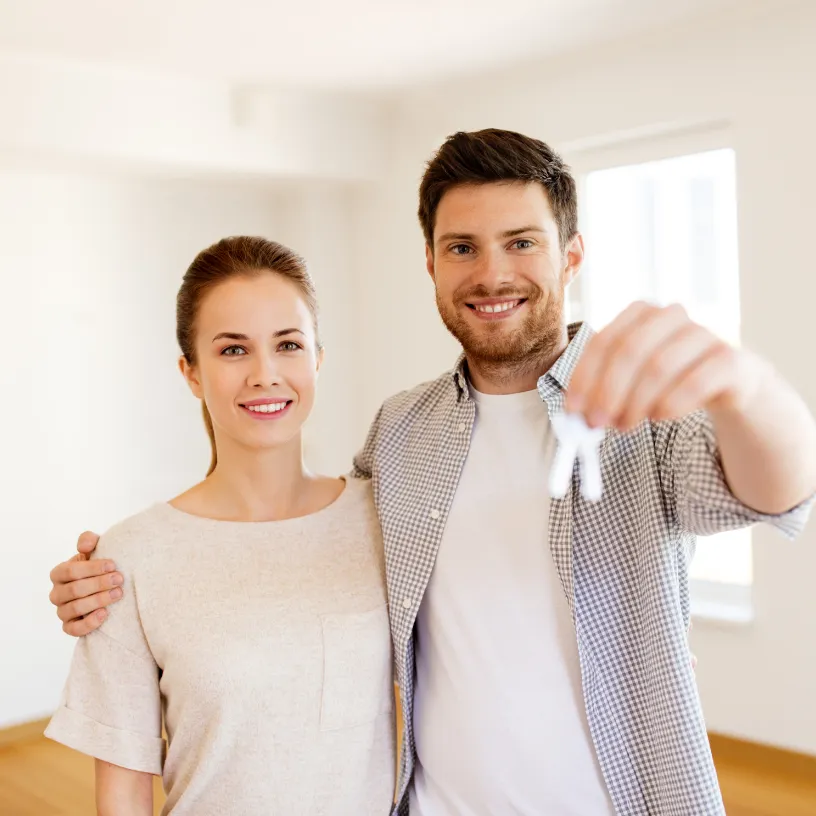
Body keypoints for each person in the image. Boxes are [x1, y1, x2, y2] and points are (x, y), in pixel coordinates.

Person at [49, 130, 816, 816]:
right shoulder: (402, 431)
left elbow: (777, 490)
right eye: (462, 248)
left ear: (570, 255)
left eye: (522, 242)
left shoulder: (641, 418)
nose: (492, 274)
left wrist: (743, 388)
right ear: (430, 262)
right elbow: (287, 546)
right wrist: (112, 582)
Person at [45, 237, 396, 815]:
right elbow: (125, 791)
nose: (265, 374)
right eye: (233, 350)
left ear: (317, 359)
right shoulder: (127, 558)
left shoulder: (384, 520)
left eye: (288, 344)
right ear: (191, 373)